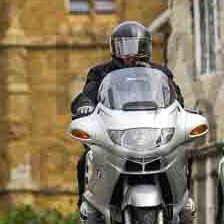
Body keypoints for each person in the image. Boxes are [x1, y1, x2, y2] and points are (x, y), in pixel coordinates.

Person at [71, 21, 188, 208]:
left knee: (179, 152)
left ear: (145, 48)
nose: (128, 54)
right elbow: (87, 94)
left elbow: (176, 98)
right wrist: (84, 105)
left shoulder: (159, 72)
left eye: (134, 47)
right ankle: (86, 203)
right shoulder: (100, 72)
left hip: (153, 132)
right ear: (114, 49)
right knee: (88, 157)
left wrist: (181, 112)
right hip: (115, 133)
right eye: (122, 47)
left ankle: (180, 200)